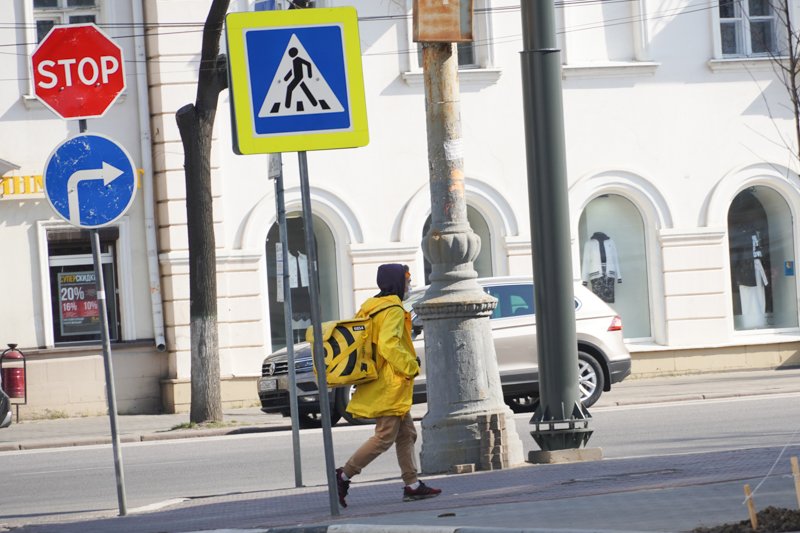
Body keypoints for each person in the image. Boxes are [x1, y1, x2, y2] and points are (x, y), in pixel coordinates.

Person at [335, 263, 441, 507]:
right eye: (407, 280)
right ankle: (343, 475)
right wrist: (411, 365)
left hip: (380, 381)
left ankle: (412, 484)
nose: (409, 285)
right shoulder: (392, 309)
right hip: (390, 384)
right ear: (397, 282)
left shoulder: (369, 308)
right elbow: (388, 344)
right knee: (384, 437)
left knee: (407, 434)